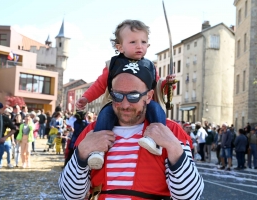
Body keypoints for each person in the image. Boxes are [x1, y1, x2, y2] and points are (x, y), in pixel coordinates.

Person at [59, 63, 204, 200]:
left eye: (133, 96)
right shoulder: (93, 131)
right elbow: (70, 195)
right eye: (117, 96)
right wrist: (83, 151)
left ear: (148, 96)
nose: (125, 104)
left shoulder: (171, 131)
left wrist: (173, 147)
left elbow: (190, 196)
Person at [76, 19, 175, 170]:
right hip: (116, 101)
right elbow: (100, 84)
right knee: (105, 114)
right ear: (120, 47)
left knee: (156, 109)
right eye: (133, 42)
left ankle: (154, 140)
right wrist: (86, 98)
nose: (139, 46)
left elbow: (158, 87)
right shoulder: (113, 64)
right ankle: (97, 150)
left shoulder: (150, 66)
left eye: (143, 42)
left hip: (143, 103)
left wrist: (167, 84)